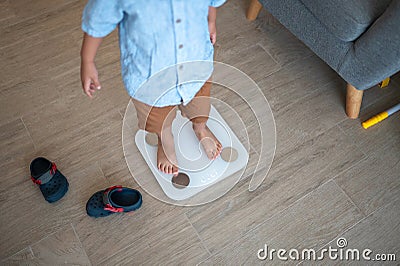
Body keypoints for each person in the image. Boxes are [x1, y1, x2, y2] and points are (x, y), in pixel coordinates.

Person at [80, 0, 226, 176]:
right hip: (150, 78)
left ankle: (200, 127)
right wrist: (87, 60)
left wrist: (211, 21)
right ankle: (165, 141)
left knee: (200, 106)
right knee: (158, 120)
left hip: (196, 65)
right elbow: (98, 19)